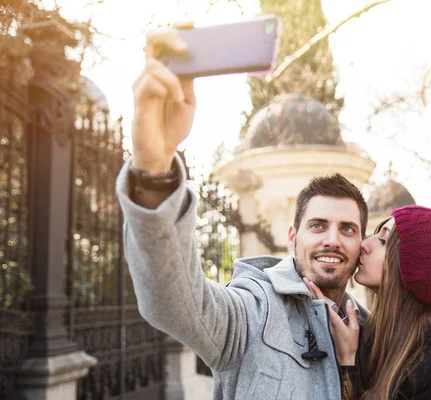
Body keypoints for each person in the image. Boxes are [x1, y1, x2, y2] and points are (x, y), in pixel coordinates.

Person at [116, 29, 370, 399]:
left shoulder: (371, 333)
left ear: (362, 242)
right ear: (292, 237)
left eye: (347, 229)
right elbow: (173, 303)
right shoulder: (251, 311)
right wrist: (153, 169)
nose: (332, 238)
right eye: (318, 225)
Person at [306, 205, 431, 399]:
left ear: (419, 272)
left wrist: (348, 365)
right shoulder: (382, 345)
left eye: (383, 241)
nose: (364, 244)